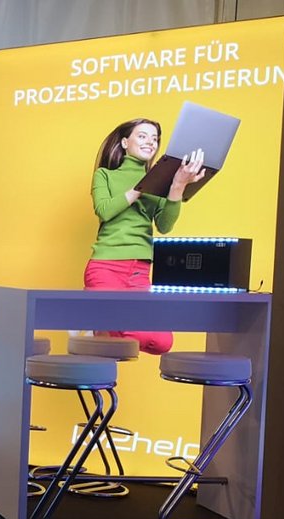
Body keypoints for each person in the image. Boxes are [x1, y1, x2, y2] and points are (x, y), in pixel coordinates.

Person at [85, 118, 206, 354]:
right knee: (121, 340)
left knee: (162, 342)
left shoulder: (160, 184)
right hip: (106, 266)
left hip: (139, 271)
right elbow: (105, 210)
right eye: (142, 136)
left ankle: (102, 329)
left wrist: (177, 186)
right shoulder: (105, 175)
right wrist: (143, 186)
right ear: (124, 143)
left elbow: (165, 225)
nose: (150, 142)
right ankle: (102, 331)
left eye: (155, 139)